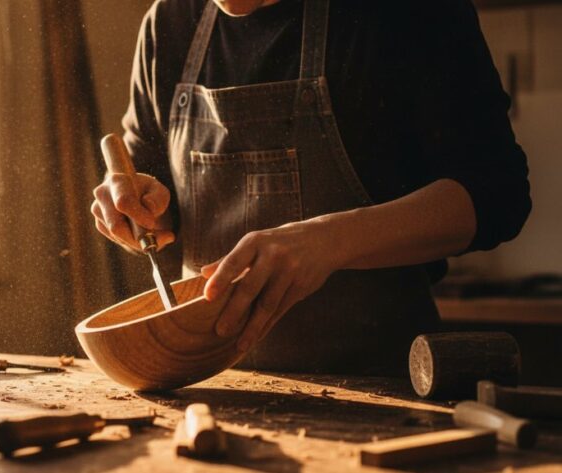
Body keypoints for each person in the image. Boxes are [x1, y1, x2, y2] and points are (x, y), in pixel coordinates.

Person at [90, 0, 531, 374]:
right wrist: (142, 211)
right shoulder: (170, 21)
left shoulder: (407, 12)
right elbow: (150, 184)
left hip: (385, 390)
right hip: (214, 391)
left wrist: (330, 240)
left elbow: (497, 193)